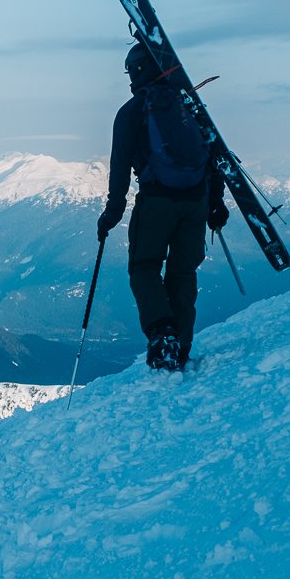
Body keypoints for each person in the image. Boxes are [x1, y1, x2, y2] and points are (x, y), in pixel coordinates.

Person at [97, 43, 230, 370]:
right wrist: (216, 204)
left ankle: (162, 336)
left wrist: (110, 216)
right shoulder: (189, 105)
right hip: (196, 201)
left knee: (144, 267)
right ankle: (181, 347)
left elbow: (119, 169)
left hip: (156, 201)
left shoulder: (131, 112)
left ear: (136, 72)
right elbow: (213, 158)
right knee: (182, 272)